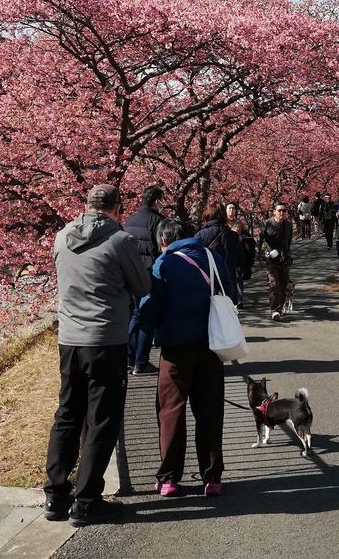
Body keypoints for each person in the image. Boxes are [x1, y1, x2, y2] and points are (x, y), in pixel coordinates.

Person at [44, 183, 150, 526]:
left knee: (67, 414)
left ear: (87, 205)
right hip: (105, 339)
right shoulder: (120, 241)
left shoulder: (62, 237)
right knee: (101, 419)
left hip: (69, 340)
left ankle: (55, 496)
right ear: (118, 208)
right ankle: (87, 500)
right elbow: (142, 286)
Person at [140, 218, 239, 497]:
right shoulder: (214, 258)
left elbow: (150, 305)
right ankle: (212, 476)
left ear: (163, 241)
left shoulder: (164, 263)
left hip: (176, 349)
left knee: (171, 410)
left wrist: (148, 328)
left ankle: (169, 477)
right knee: (209, 411)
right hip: (211, 345)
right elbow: (230, 293)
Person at [123, 185, 168, 375]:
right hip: (151, 274)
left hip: (131, 273)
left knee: (135, 315)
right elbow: (161, 249)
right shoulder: (158, 221)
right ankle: (141, 362)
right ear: (157, 201)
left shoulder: (129, 221)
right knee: (148, 319)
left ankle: (130, 357)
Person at [197, 201, 247, 304]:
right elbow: (240, 259)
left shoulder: (200, 235)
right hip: (228, 281)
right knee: (227, 310)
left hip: (207, 282)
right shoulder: (233, 236)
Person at [260, 202, 295, 321]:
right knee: (274, 284)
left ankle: (280, 307)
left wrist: (287, 254)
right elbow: (260, 241)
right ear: (274, 211)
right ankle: (274, 310)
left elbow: (288, 241)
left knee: (283, 284)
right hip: (271, 258)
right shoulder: (267, 224)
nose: (282, 213)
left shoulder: (288, 225)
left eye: (284, 211)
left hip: (284, 258)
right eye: (279, 210)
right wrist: (260, 256)